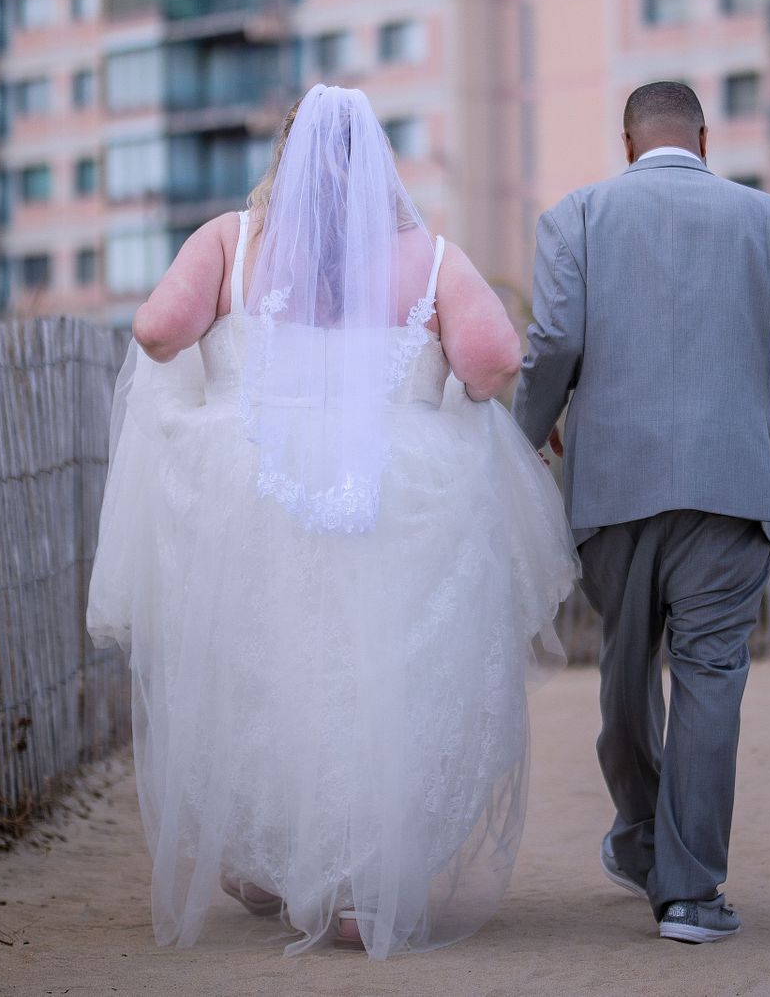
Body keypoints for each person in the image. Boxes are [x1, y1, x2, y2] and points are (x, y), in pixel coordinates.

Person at [88, 85, 578, 958]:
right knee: (379, 674)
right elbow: (495, 358)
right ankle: (359, 888)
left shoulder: (229, 242)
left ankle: (269, 862)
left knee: (262, 672)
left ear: (287, 159)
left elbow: (157, 330)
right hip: (391, 494)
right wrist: (448, 393)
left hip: (249, 489)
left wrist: (211, 368)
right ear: (381, 170)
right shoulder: (428, 258)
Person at [514, 80, 770, 945]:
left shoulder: (574, 217)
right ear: (704, 137)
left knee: (626, 670)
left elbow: (554, 342)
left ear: (628, 143)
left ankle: (641, 835)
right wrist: (733, 402)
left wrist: (528, 432)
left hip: (610, 493)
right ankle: (689, 893)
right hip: (729, 493)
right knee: (710, 679)